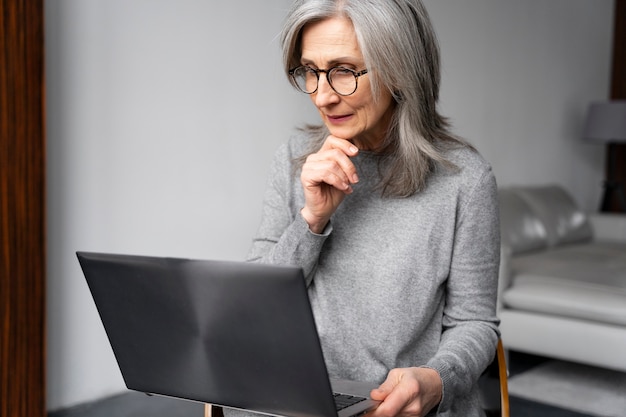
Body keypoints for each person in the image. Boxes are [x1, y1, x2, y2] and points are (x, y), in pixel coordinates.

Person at [241, 1, 501, 416]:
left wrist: (435, 380)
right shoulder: (294, 160)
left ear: (400, 69)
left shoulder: (464, 179)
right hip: (302, 401)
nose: (322, 95)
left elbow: (475, 324)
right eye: (310, 71)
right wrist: (311, 220)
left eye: (344, 71)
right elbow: (252, 307)